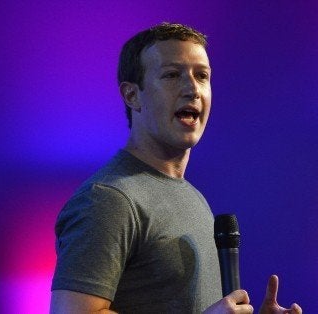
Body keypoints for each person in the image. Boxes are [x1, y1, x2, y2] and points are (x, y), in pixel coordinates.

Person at [50, 22, 302, 314]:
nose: (192, 88)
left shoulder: (192, 197)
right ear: (132, 95)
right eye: (171, 75)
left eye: (202, 76)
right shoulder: (109, 199)